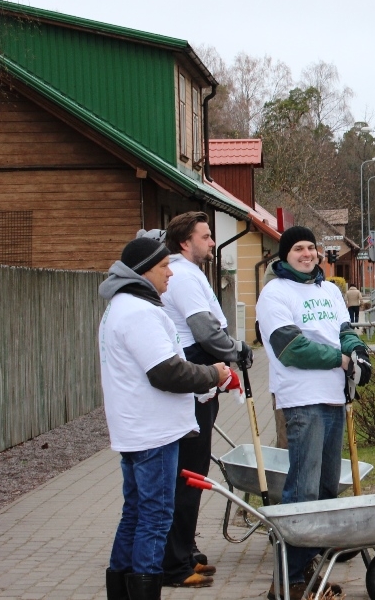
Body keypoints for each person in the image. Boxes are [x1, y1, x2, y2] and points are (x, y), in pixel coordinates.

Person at [99, 237, 234, 600]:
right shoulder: (138, 312)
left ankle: (121, 588)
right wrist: (213, 373)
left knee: (135, 513)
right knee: (156, 516)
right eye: (163, 267)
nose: (170, 273)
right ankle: (144, 585)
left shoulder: (123, 306)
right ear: (144, 271)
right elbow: (166, 371)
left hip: (138, 428)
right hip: (153, 432)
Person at [256, 226, 371, 600]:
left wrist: (358, 352)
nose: (307, 254)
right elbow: (291, 348)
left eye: (311, 247)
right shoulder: (275, 293)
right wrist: (341, 360)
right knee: (302, 491)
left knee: (324, 490)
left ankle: (308, 572)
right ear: (285, 255)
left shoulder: (329, 290)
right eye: (298, 249)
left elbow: (344, 330)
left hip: (334, 398)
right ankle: (286, 581)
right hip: (302, 401)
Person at [155, 212, 253, 588]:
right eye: (206, 236)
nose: (212, 242)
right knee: (188, 472)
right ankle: (174, 559)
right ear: (185, 242)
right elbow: (205, 330)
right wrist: (237, 350)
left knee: (193, 470)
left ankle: (184, 548)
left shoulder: (189, 273)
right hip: (192, 380)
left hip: (201, 380)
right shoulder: (182, 276)